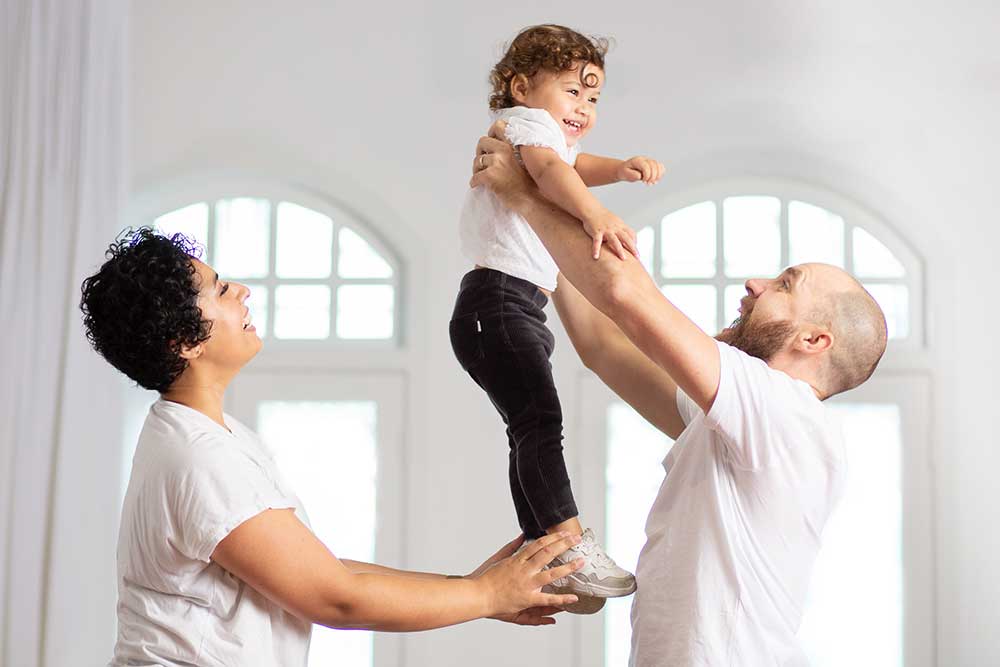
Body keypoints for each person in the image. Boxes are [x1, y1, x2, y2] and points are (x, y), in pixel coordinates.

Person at [471, 126, 888, 665]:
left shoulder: (788, 415)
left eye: (785, 285)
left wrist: (524, 193)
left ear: (814, 340)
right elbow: (602, 345)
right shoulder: (737, 425)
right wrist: (537, 207)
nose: (755, 285)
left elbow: (626, 296)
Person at [81, 228, 584, 666]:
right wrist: (486, 595)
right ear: (185, 343)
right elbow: (335, 600)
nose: (241, 291)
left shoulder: (212, 438)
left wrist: (469, 585)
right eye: (218, 289)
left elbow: (323, 570)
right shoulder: (198, 459)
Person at [450, 24, 665, 612]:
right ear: (522, 87)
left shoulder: (545, 138)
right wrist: (596, 214)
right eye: (572, 92)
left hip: (514, 304)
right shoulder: (524, 127)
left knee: (532, 426)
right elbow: (551, 173)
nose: (584, 108)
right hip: (497, 300)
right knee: (540, 423)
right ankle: (565, 548)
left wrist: (617, 168)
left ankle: (549, 552)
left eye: (593, 98)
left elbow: (570, 164)